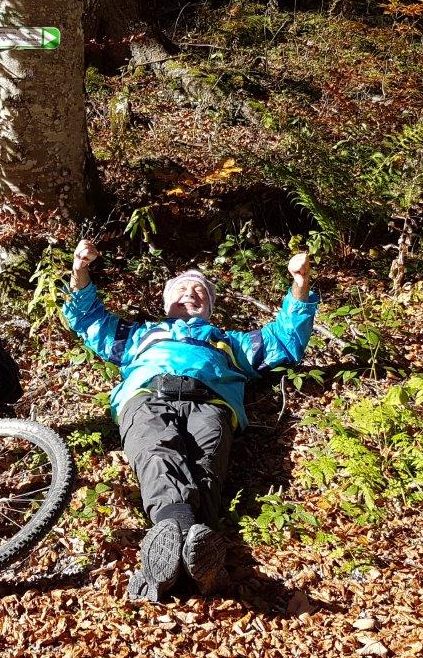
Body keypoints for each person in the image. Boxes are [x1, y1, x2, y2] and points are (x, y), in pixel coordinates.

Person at [62, 239, 318, 602]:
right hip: (147, 397)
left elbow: (285, 339)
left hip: (211, 404)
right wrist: (80, 270)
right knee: (156, 453)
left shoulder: (230, 343)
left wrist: (299, 283)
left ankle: (169, 562)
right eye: (181, 288)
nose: (190, 293)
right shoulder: (141, 335)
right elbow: (88, 320)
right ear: (166, 303)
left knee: (207, 470)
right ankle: (197, 561)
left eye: (200, 290)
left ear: (210, 307)